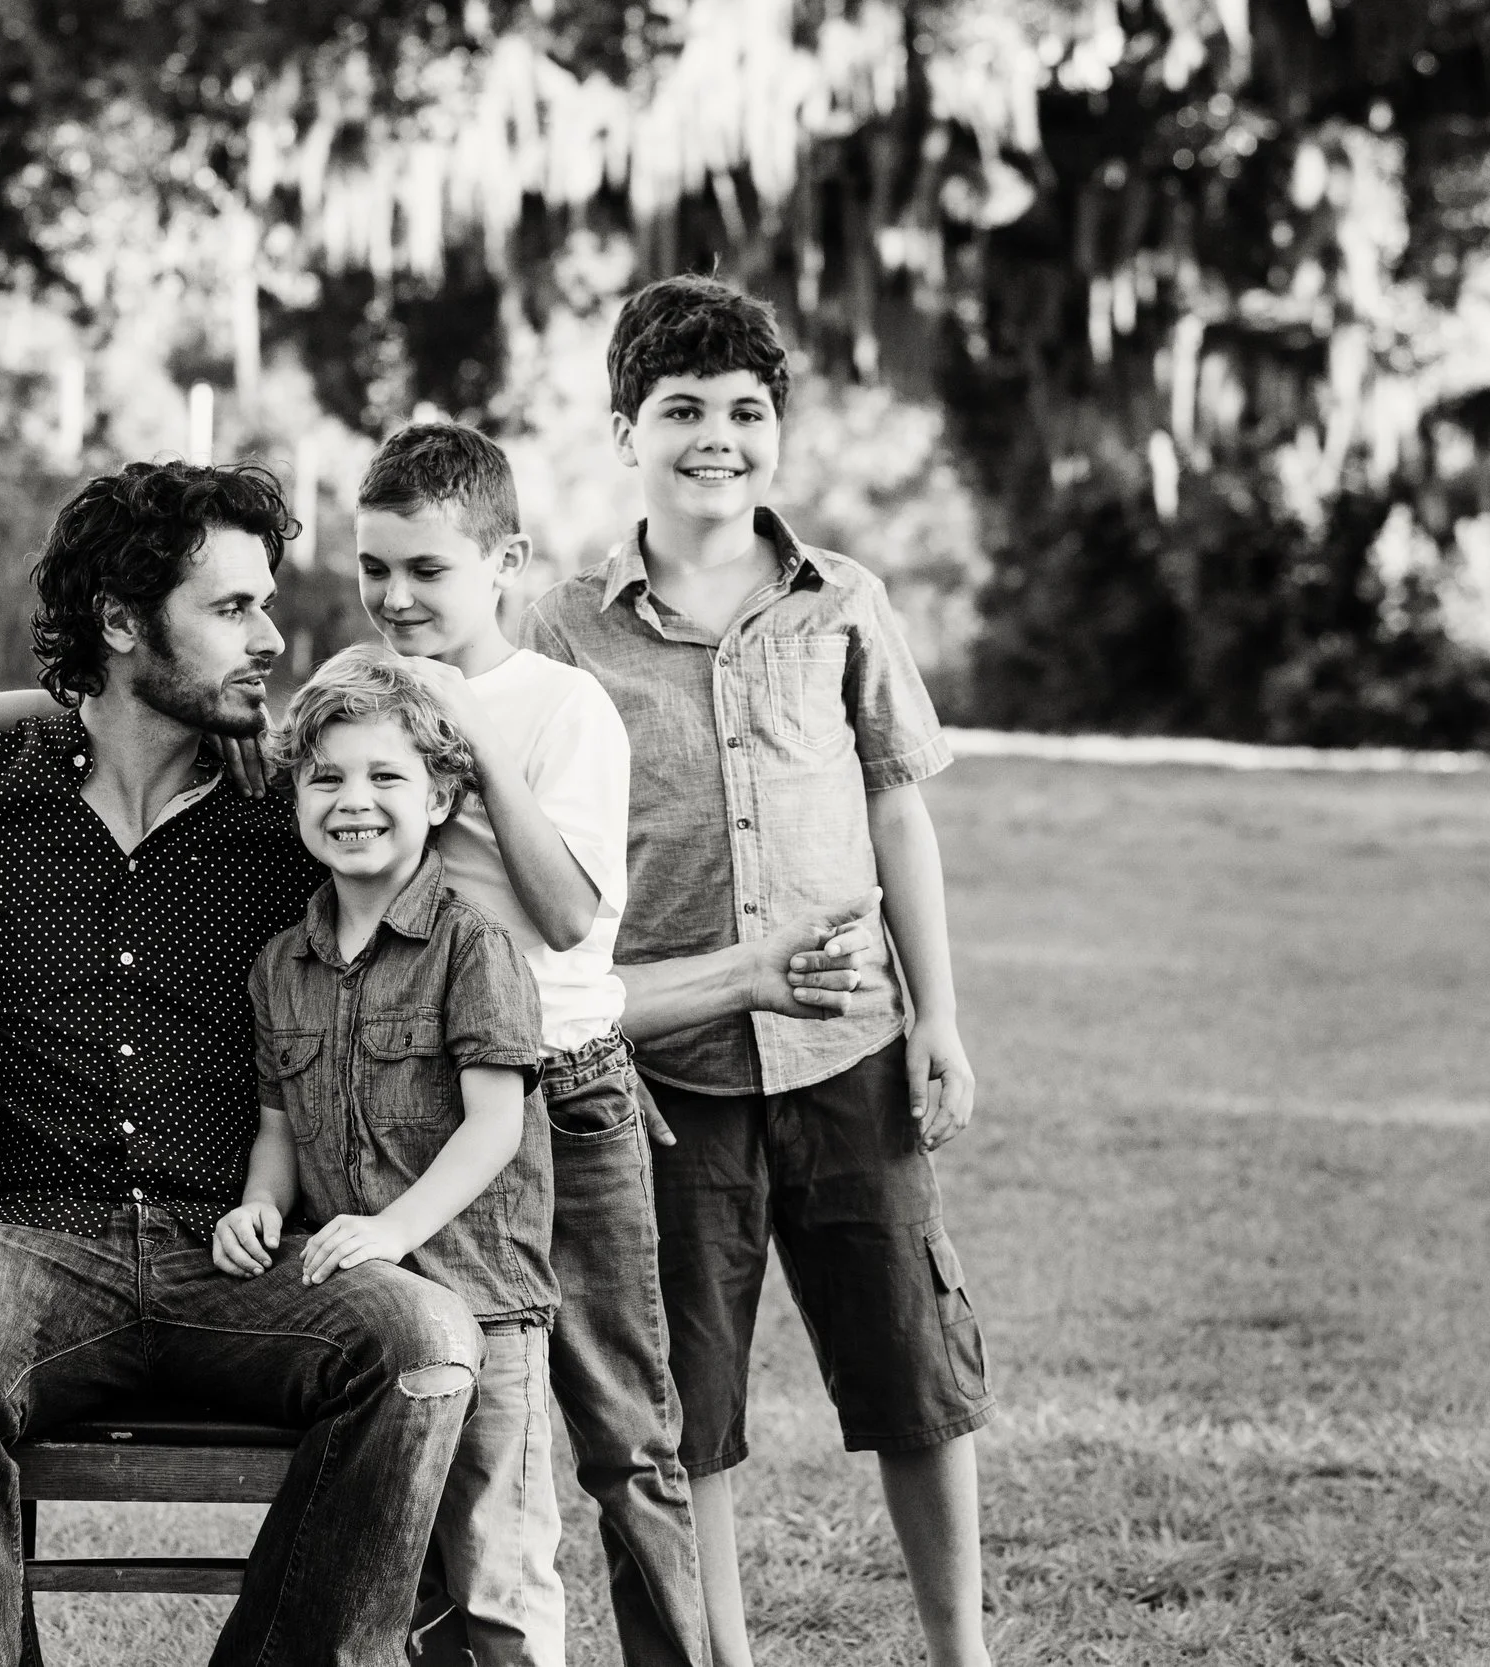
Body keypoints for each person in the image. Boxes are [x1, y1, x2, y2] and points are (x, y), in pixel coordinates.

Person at [0, 458, 880, 1666]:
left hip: (237, 1250)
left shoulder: (300, 809)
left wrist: (730, 978)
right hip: (24, 1244)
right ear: (122, 623)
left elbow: (525, 972)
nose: (271, 637)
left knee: (424, 1343)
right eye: (231, 609)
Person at [525, 274, 994, 1667]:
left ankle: (960, 1647)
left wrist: (938, 1016)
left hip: (850, 1052)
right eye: (682, 411)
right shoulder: (566, 628)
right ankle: (717, 1652)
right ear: (627, 432)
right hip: (667, 1077)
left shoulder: (841, 599)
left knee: (916, 1369)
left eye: (744, 410)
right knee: (689, 1401)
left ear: (778, 428)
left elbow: (897, 806)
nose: (715, 438)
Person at [356, 420, 868, 1667]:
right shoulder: (363, 700)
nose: (396, 595)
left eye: (426, 568)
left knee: (627, 1429)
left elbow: (567, 913)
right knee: (449, 1425)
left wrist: (470, 737)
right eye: (374, 567)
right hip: (424, 1106)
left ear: (506, 564)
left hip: (566, 1096)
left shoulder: (560, 705)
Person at [217, 645, 563, 1666]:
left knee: (495, 1577)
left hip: (483, 1302)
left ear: (442, 795)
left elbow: (495, 1124)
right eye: (325, 777)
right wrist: (259, 1205)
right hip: (369, 1329)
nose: (352, 800)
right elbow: (278, 1126)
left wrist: (391, 1227)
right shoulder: (279, 964)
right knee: (390, 1581)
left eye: (385, 776)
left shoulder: (474, 948)